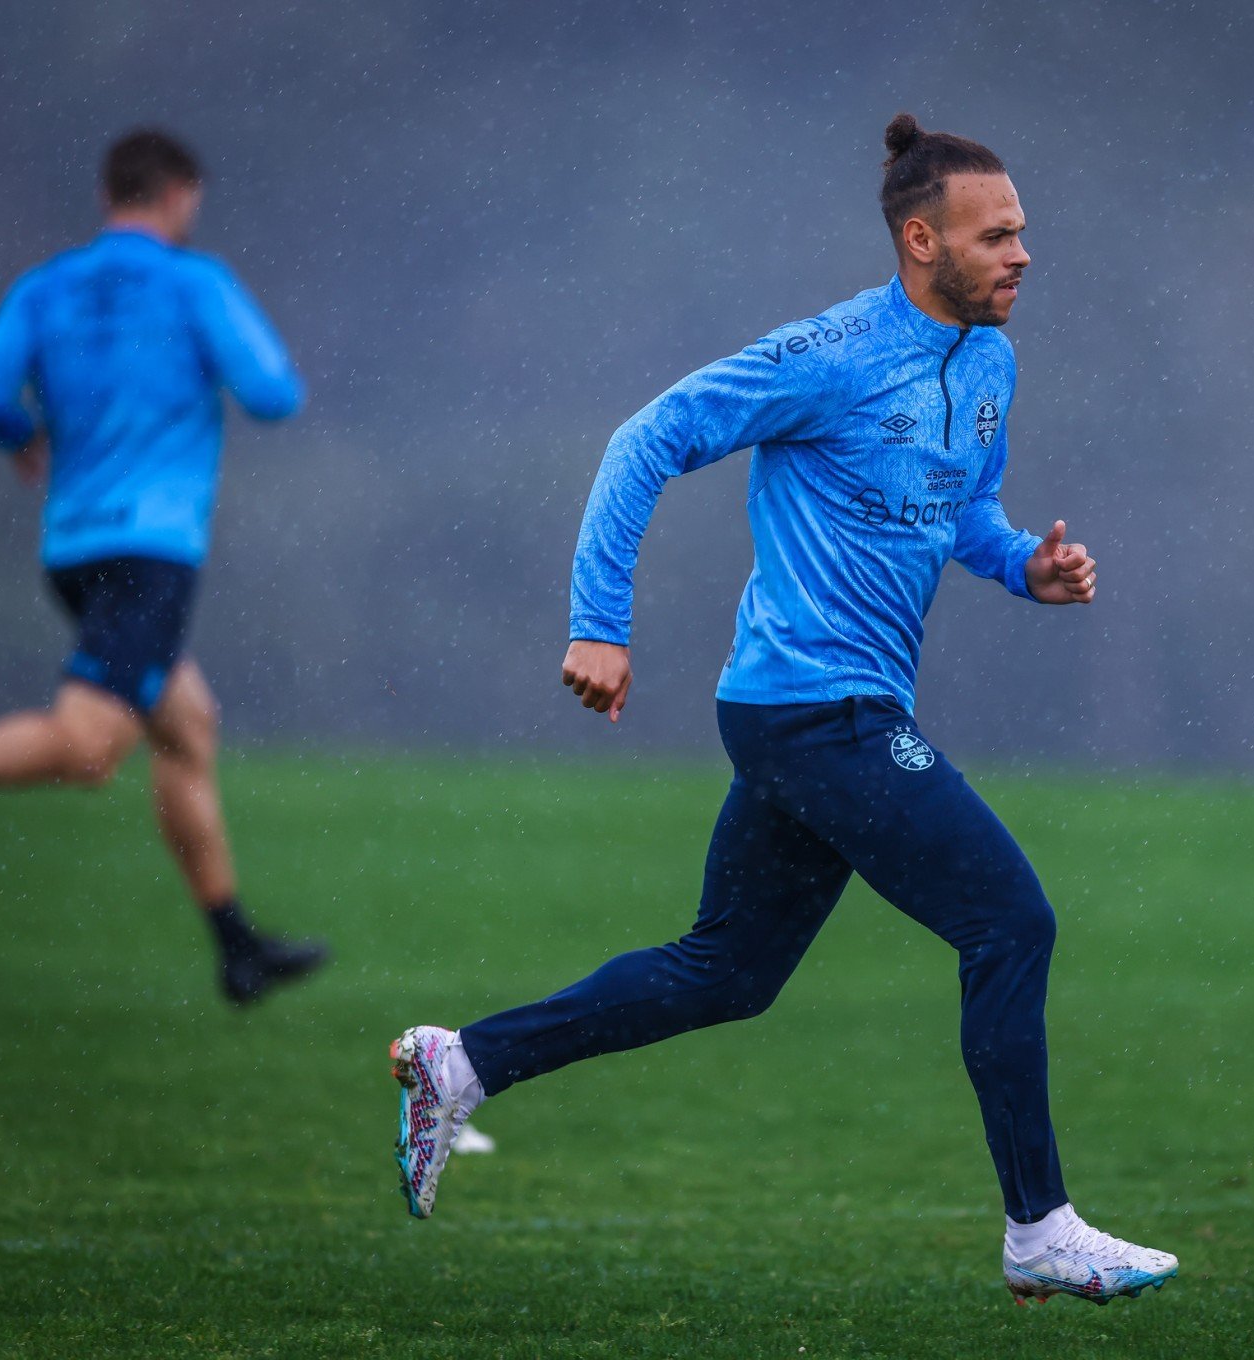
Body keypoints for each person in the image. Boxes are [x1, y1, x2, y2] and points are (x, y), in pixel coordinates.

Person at [387, 113, 1177, 1305]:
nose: (1023, 253)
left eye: (1024, 231)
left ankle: (465, 1062)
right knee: (1012, 923)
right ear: (922, 239)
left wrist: (1026, 566)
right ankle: (1038, 1227)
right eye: (997, 233)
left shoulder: (992, 363)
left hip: (801, 714)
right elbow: (645, 440)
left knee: (726, 972)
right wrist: (599, 621)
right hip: (820, 710)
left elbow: (961, 509)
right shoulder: (829, 354)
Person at [0, 129, 328, 1006]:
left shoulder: (47, 287)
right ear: (180, 193)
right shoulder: (195, 283)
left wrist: (25, 437)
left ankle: (237, 948)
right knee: (89, 749)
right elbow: (271, 394)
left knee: (187, 726)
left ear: (114, 193)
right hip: (150, 552)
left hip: (71, 549)